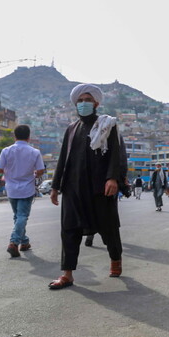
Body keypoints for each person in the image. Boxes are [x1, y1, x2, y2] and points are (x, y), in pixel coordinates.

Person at [49, 83, 124, 289]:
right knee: (69, 229)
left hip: (100, 187)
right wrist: (55, 186)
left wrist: (112, 178)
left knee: (108, 228)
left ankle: (115, 259)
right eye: (80, 101)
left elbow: (115, 154)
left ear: (96, 103)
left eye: (87, 100)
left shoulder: (108, 125)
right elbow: (63, 158)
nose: (83, 104)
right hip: (73, 187)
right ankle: (67, 274)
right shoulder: (71, 129)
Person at [0, 125, 45, 257]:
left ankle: (25, 242)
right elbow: (40, 171)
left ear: (14, 136)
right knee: (22, 216)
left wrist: (10, 171)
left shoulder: (6, 150)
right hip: (27, 189)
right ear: (29, 137)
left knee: (17, 217)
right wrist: (33, 173)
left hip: (11, 189)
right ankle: (14, 242)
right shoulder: (35, 152)